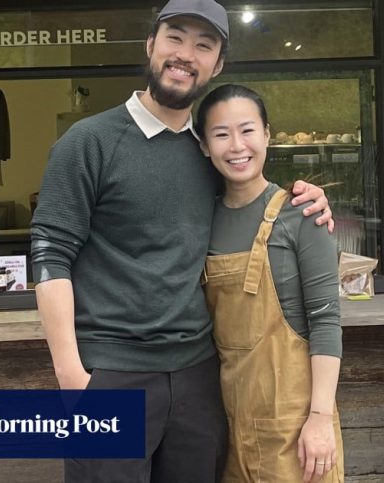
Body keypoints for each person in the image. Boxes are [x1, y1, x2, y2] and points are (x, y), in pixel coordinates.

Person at [31, 1, 333, 481]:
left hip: (198, 376)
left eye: (203, 45)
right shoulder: (88, 141)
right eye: (175, 37)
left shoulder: (210, 152)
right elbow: (50, 254)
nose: (186, 54)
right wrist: (72, 377)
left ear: (217, 65)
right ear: (151, 45)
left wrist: (308, 198)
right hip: (110, 373)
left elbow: (254, 199)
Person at [196, 84, 344, 483]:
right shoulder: (201, 221)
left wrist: (320, 418)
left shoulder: (302, 214)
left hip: (294, 429)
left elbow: (326, 321)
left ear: (266, 135)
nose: (237, 146)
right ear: (205, 146)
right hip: (227, 426)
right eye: (221, 134)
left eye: (247, 130)